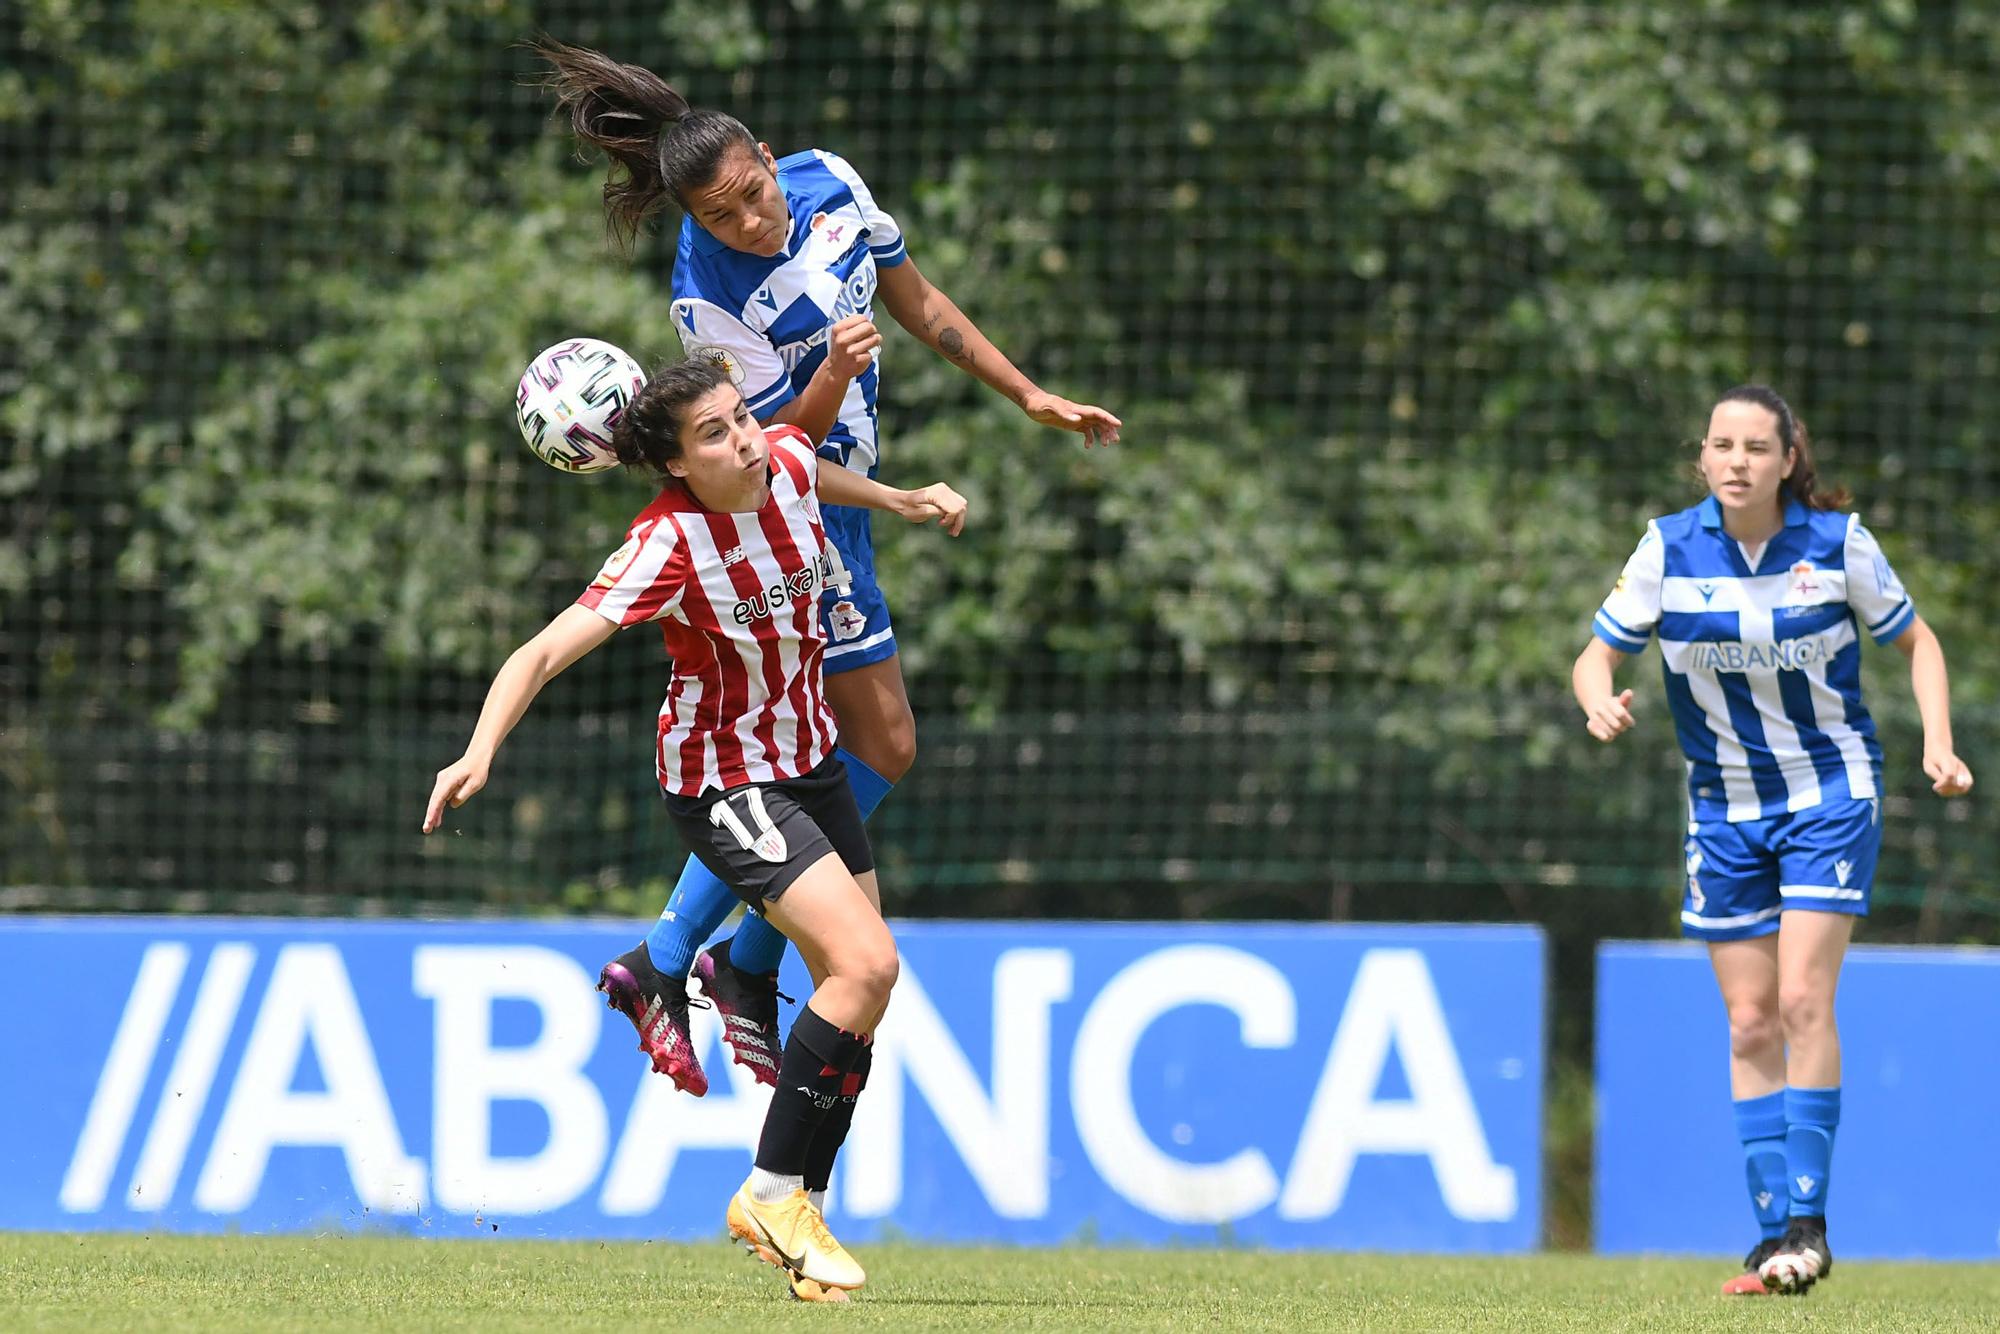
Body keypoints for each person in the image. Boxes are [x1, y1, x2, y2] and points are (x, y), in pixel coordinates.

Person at [534, 37, 1121, 1095]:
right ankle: (681, 959)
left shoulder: (832, 180)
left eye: (753, 196)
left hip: (837, 517)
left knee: (867, 747)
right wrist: (835, 379)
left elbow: (920, 299)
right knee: (869, 746)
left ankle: (715, 959)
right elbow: (761, 460)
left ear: (769, 157)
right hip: (788, 530)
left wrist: (1025, 392)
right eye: (722, 216)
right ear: (694, 224)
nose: (750, 222)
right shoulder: (706, 301)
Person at [423, 356, 967, 1300]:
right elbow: (546, 647)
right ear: (676, 466)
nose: (746, 439)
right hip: (725, 781)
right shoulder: (667, 542)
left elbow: (809, 458)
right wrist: (479, 751)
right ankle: (768, 1191)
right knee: (867, 965)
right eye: (715, 435)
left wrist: (900, 498)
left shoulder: (782, 461)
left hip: (811, 762)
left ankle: (800, 1205)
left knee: (866, 989)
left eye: (740, 417)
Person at [1571, 385, 1973, 1297]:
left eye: (1758, 445)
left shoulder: (1837, 546)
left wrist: (1937, 743)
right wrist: (1596, 694)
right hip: (1722, 808)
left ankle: (1809, 1224)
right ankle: (1769, 1245)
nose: (1739, 460)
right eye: (1723, 444)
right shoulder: (1667, 548)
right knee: (1748, 1019)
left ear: (1789, 459)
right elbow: (1598, 651)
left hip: (1830, 792)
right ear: (1703, 458)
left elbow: (1921, 645)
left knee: (1799, 998)